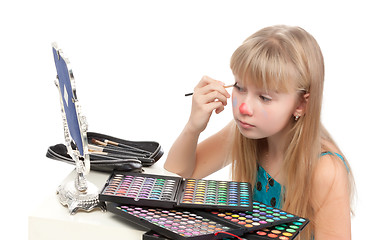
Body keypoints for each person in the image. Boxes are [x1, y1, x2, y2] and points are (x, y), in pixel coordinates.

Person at [164, 25, 354, 239]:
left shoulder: (325, 170)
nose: (244, 108)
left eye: (264, 97)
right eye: (240, 87)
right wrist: (193, 127)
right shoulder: (242, 134)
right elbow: (174, 178)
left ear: (301, 103)